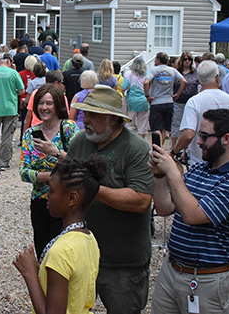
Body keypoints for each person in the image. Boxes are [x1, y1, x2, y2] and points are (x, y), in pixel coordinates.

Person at [150, 109, 229, 313]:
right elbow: (164, 208)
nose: (198, 142)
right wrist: (160, 176)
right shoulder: (198, 170)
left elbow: (192, 215)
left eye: (204, 136)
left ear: (226, 139)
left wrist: (172, 172)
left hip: (209, 282)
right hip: (171, 271)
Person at [68, 85, 154, 313]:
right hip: (82, 255)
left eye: (94, 115)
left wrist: (92, 188)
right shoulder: (79, 142)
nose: (86, 119)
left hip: (122, 261)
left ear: (115, 120)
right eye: (85, 113)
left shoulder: (136, 149)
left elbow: (141, 200)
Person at [14, 155, 106, 314]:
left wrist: (30, 275)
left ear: (71, 199)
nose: (46, 196)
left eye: (51, 190)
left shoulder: (61, 252)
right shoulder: (89, 239)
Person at [20, 83, 79, 259]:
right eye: (40, 103)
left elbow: (79, 165)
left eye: (49, 103)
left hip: (67, 201)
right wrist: (51, 176)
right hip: (40, 202)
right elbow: (24, 172)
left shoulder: (69, 129)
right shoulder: (31, 134)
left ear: (58, 105)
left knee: (61, 254)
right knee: (43, 252)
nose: (44, 108)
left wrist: (55, 152)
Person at [171, 60, 229, 166]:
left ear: (198, 80)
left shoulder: (194, 102)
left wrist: (174, 151)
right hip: (228, 162)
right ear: (217, 77)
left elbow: (188, 135)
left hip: (200, 163)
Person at [0, 53, 25, 170]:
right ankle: (3, 162)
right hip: (10, 108)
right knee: (7, 136)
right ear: (8, 61)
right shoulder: (14, 73)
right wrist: (13, 92)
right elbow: (21, 90)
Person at [144, 52, 187, 141]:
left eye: (155, 59)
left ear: (159, 60)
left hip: (157, 102)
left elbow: (146, 82)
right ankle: (160, 149)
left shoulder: (154, 70)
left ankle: (156, 148)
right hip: (169, 102)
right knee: (164, 129)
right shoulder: (173, 70)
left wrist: (147, 95)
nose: (155, 61)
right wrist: (177, 94)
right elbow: (184, 81)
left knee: (156, 129)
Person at [171, 52, 198, 147]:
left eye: (189, 59)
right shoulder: (177, 72)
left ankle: (187, 147)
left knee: (189, 124)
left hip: (191, 101)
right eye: (185, 59)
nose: (187, 61)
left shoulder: (195, 72)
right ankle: (174, 145)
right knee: (176, 123)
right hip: (179, 101)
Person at [122, 57, 150, 138]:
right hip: (144, 101)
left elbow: (124, 87)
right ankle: (141, 141)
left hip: (132, 102)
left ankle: (130, 141)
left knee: (129, 123)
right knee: (142, 125)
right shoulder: (147, 74)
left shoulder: (129, 74)